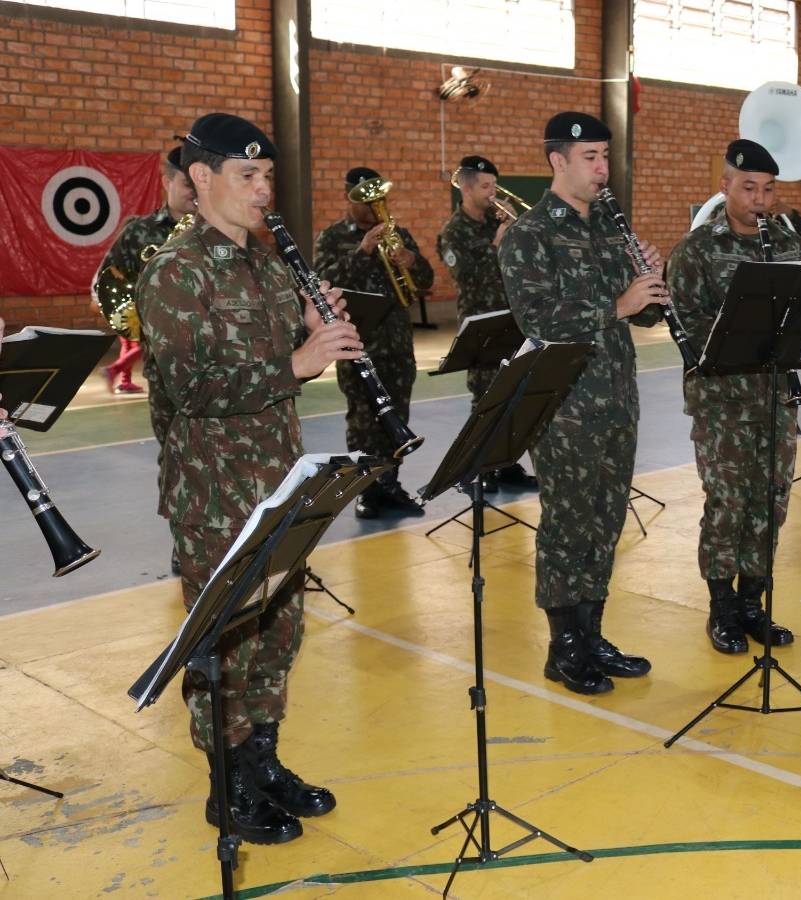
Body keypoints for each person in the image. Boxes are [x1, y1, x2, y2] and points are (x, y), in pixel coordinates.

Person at [139, 113, 365, 845]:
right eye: (248, 175)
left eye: (268, 176)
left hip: (278, 484)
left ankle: (262, 760)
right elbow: (189, 386)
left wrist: (311, 324)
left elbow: (278, 368)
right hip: (213, 495)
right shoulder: (175, 272)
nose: (264, 189)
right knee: (225, 646)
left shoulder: (267, 266)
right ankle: (226, 783)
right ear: (202, 179)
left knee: (278, 631)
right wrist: (295, 362)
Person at [498, 112, 664, 695]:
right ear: (557, 162)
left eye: (604, 157)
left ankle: (592, 633)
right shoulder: (529, 236)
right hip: (567, 405)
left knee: (606, 520)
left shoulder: (608, 229)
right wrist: (620, 303)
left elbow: (643, 313)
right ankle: (563, 645)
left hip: (618, 398)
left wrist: (651, 282)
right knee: (568, 524)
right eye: (590, 157)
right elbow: (539, 319)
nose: (601, 168)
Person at [666, 140, 801, 654]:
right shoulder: (697, 250)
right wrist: (742, 330)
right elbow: (682, 322)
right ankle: (721, 606)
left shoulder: (788, 247)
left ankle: (753, 602)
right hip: (722, 400)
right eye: (748, 188)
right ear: (725, 187)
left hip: (775, 399)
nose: (759, 200)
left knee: (772, 502)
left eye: (768, 190)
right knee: (728, 503)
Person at [312, 167, 434, 518]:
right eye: (364, 201)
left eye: (378, 200)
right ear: (348, 199)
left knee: (398, 419)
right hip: (357, 344)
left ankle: (390, 485)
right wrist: (363, 250)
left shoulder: (399, 233)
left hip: (396, 344)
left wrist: (411, 261)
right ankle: (365, 491)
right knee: (364, 423)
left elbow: (424, 281)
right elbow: (323, 282)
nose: (372, 207)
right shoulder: (332, 237)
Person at [438, 155, 537, 494]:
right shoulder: (454, 231)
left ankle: (505, 466)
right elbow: (464, 276)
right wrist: (496, 245)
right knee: (485, 401)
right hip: (481, 324)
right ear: (465, 189)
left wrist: (514, 232)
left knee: (514, 397)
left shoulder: (496, 222)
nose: (493, 194)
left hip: (512, 320)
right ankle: (472, 471)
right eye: (485, 187)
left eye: (494, 186)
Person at [95, 146, 198, 394]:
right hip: (165, 370)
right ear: (167, 181)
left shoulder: (221, 231)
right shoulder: (138, 232)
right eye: (187, 184)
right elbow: (111, 284)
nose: (195, 192)